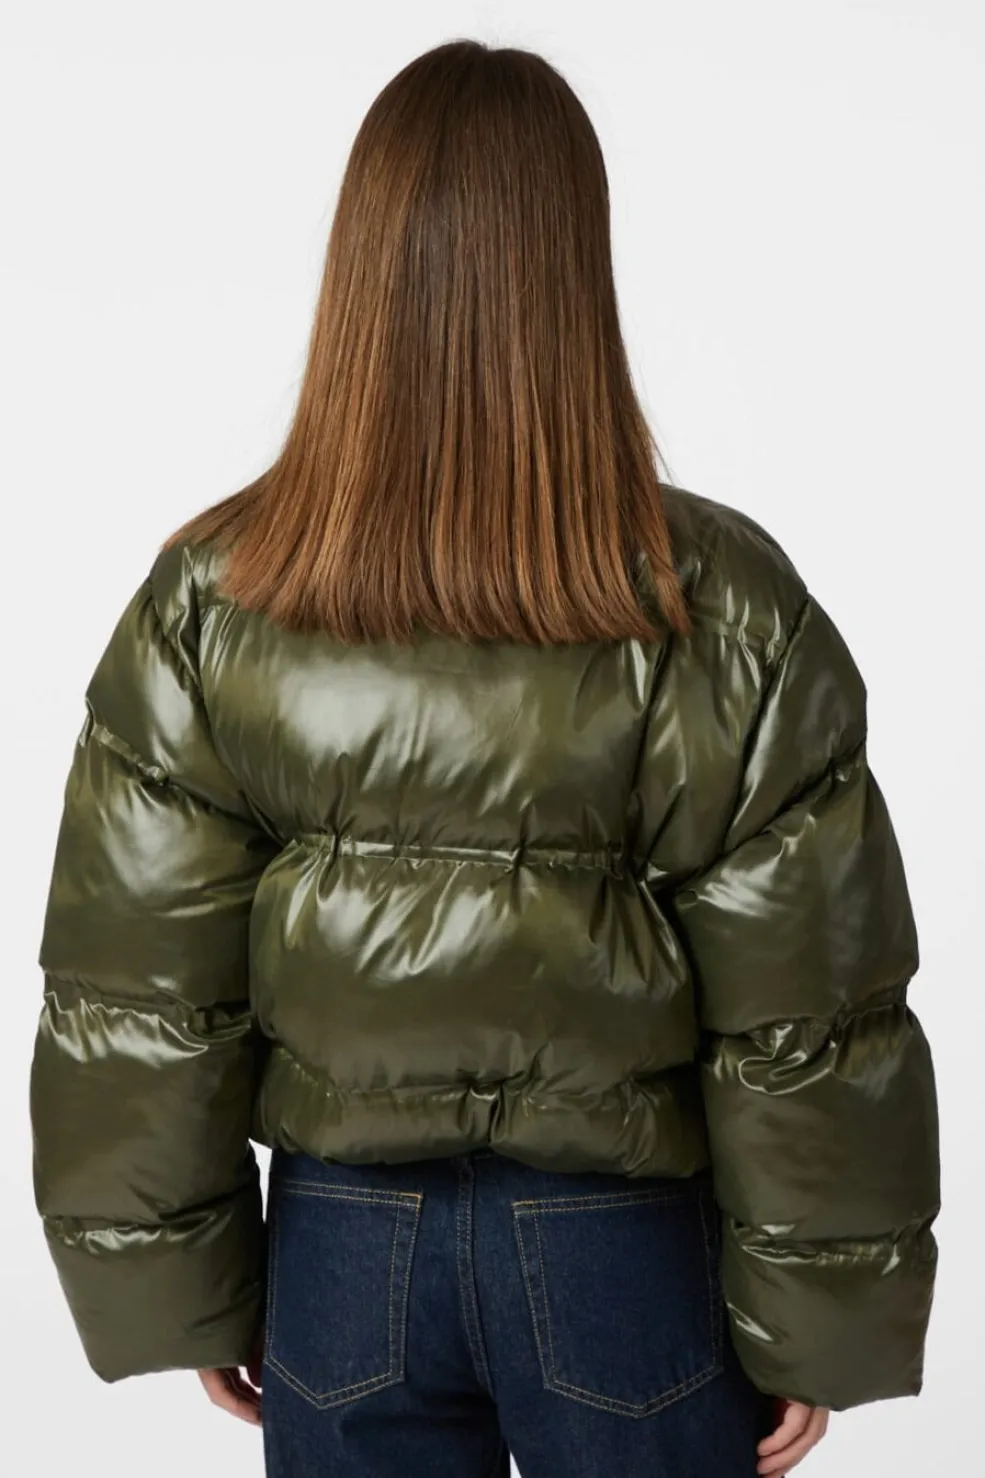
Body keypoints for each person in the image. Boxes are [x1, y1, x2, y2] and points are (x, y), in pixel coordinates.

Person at [29, 37, 940, 1478]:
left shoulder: (218, 596)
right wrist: (815, 1325)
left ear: (363, 268)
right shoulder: (723, 608)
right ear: (576, 268)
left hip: (343, 1255)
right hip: (623, 1256)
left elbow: (140, 990)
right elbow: (805, 1014)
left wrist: (182, 1282)